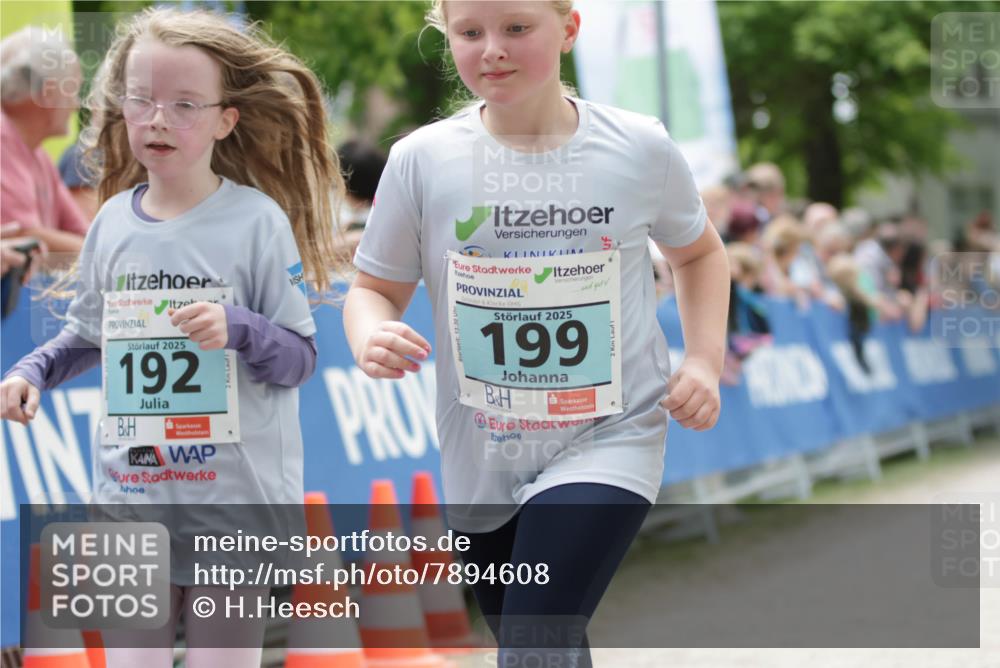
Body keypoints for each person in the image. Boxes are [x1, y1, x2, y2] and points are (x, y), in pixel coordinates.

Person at [342, 2, 729, 665]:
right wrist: (370, 334)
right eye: (470, 33)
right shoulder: (421, 159)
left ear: (569, 30)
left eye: (516, 28)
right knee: (539, 641)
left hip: (611, 435)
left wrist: (702, 361)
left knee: (533, 637)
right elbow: (373, 289)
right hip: (483, 453)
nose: (492, 48)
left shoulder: (638, 146)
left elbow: (699, 254)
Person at [0, 8, 344, 667]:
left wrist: (238, 327)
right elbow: (88, 334)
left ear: (225, 119)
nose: (158, 119)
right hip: (129, 500)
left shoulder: (255, 222)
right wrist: (31, 373)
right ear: (119, 107)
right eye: (141, 99)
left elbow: (299, 358)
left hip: (231, 506)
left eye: (184, 104)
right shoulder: (109, 227)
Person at [0, 27, 90, 253]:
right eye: (73, 89)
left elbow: (83, 234)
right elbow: (22, 236)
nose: (76, 104)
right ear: (47, 92)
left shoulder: (36, 153)